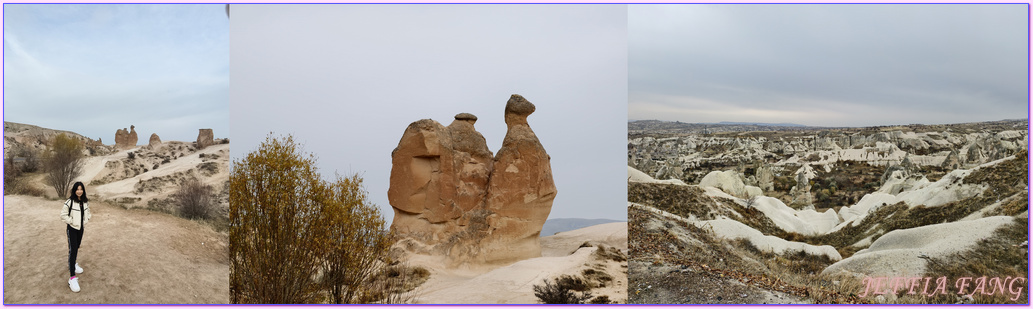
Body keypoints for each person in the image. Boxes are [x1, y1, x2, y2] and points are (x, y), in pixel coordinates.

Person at [60, 181, 91, 293]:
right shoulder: (70, 202)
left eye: (81, 189)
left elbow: (88, 212)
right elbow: (63, 215)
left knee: (76, 247)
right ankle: (72, 278)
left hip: (81, 228)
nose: (79, 191)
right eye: (77, 189)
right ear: (74, 190)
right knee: (73, 250)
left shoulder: (85, 201)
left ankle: (72, 264)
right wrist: (71, 222)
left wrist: (87, 219)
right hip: (72, 229)